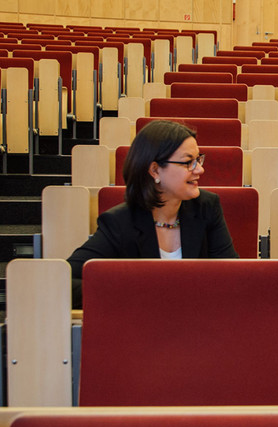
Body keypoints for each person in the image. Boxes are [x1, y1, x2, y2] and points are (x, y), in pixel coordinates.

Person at [68, 120, 238, 308]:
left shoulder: (207, 207)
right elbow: (64, 282)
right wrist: (137, 293)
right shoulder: (119, 223)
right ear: (155, 170)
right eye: (188, 162)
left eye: (198, 159)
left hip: (200, 325)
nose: (200, 169)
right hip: (142, 328)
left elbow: (232, 277)